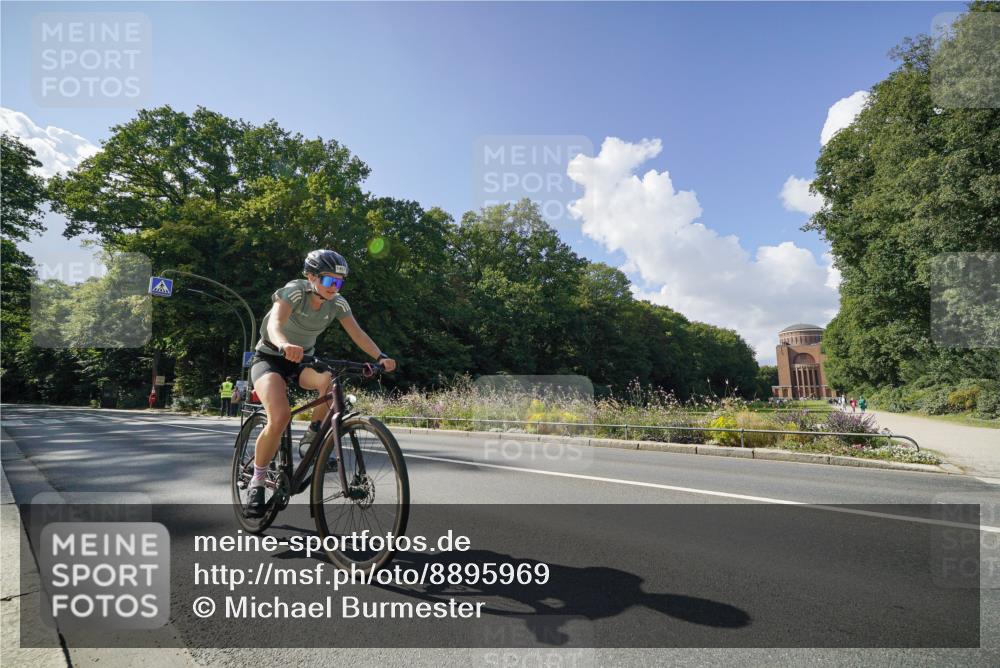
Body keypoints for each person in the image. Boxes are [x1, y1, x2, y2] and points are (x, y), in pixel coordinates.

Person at [244, 250, 397, 518]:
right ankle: (256, 482)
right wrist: (284, 344)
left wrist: (380, 357)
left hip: (302, 361)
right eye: (329, 280)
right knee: (279, 417)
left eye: (340, 282)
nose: (334, 287)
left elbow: (357, 333)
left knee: (328, 379)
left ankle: (312, 436)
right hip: (270, 358)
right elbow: (275, 324)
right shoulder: (295, 291)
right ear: (311, 277)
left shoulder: (337, 303)